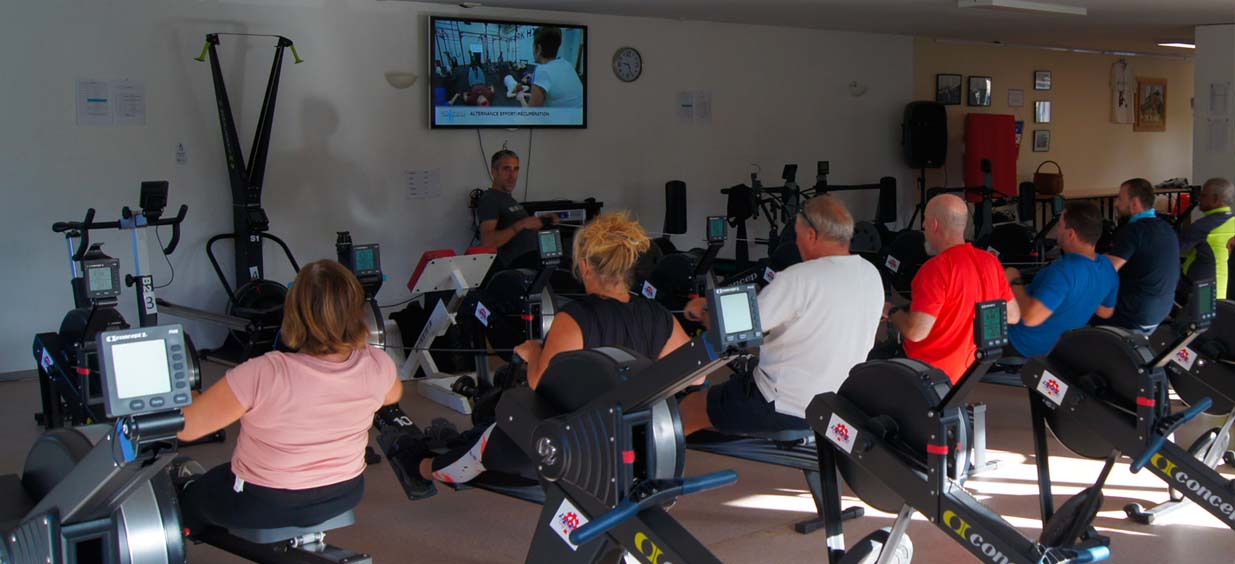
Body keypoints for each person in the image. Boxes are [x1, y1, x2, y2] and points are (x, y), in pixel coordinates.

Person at [404, 212, 691, 490]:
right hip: (634, 441)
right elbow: (695, 377)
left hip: (570, 445)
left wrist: (533, 351)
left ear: (586, 267)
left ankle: (420, 468)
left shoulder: (576, 317)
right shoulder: (658, 314)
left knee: (483, 445)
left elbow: (539, 381)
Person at [176, 260, 402, 531]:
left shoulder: (264, 372)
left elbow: (187, 430)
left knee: (185, 494)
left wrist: (188, 398)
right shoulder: (378, 363)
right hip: (344, 493)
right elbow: (392, 396)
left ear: (293, 312)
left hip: (264, 501)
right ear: (355, 311)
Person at [678, 195, 884, 435]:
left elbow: (731, 329)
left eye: (797, 237)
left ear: (811, 235)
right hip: (837, 402)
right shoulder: (870, 274)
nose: (797, 244)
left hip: (783, 403)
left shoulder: (798, 278)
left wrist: (704, 309)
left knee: (689, 408)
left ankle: (643, 468)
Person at [886, 194, 1022, 383]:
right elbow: (1013, 316)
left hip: (927, 374)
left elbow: (916, 333)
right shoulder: (990, 261)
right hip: (968, 372)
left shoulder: (935, 269)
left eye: (924, 220)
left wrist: (891, 311)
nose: (923, 227)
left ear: (934, 224)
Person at [1005, 201, 1119, 358]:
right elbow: (1105, 312)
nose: (1057, 230)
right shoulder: (1107, 266)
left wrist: (1014, 279)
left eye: (1059, 225)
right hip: (1058, 347)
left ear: (1071, 234)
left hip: (1022, 344)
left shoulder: (1065, 271)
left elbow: (1030, 318)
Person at [1104, 178, 1180, 333]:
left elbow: (1106, 271)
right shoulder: (1167, 228)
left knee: (1079, 309)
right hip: (1161, 312)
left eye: (1120, 198)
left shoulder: (1133, 231)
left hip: (1134, 315)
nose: (1116, 204)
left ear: (1134, 203)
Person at [476, 149, 555, 268]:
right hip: (511, 271)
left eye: (516, 169)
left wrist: (541, 222)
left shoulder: (508, 199)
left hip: (529, 265)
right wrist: (521, 224)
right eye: (506, 169)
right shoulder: (490, 199)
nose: (512, 176)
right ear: (494, 172)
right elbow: (487, 242)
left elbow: (520, 231)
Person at [1179, 178, 1235, 299]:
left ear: (1216, 199)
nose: (1199, 198)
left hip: (1203, 293)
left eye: (1203, 195)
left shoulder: (1203, 226)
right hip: (1225, 292)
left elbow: (1174, 249)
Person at [528, 26, 583, 108]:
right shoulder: (567, 64)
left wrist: (521, 97)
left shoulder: (542, 71)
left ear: (538, 49)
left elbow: (531, 115)